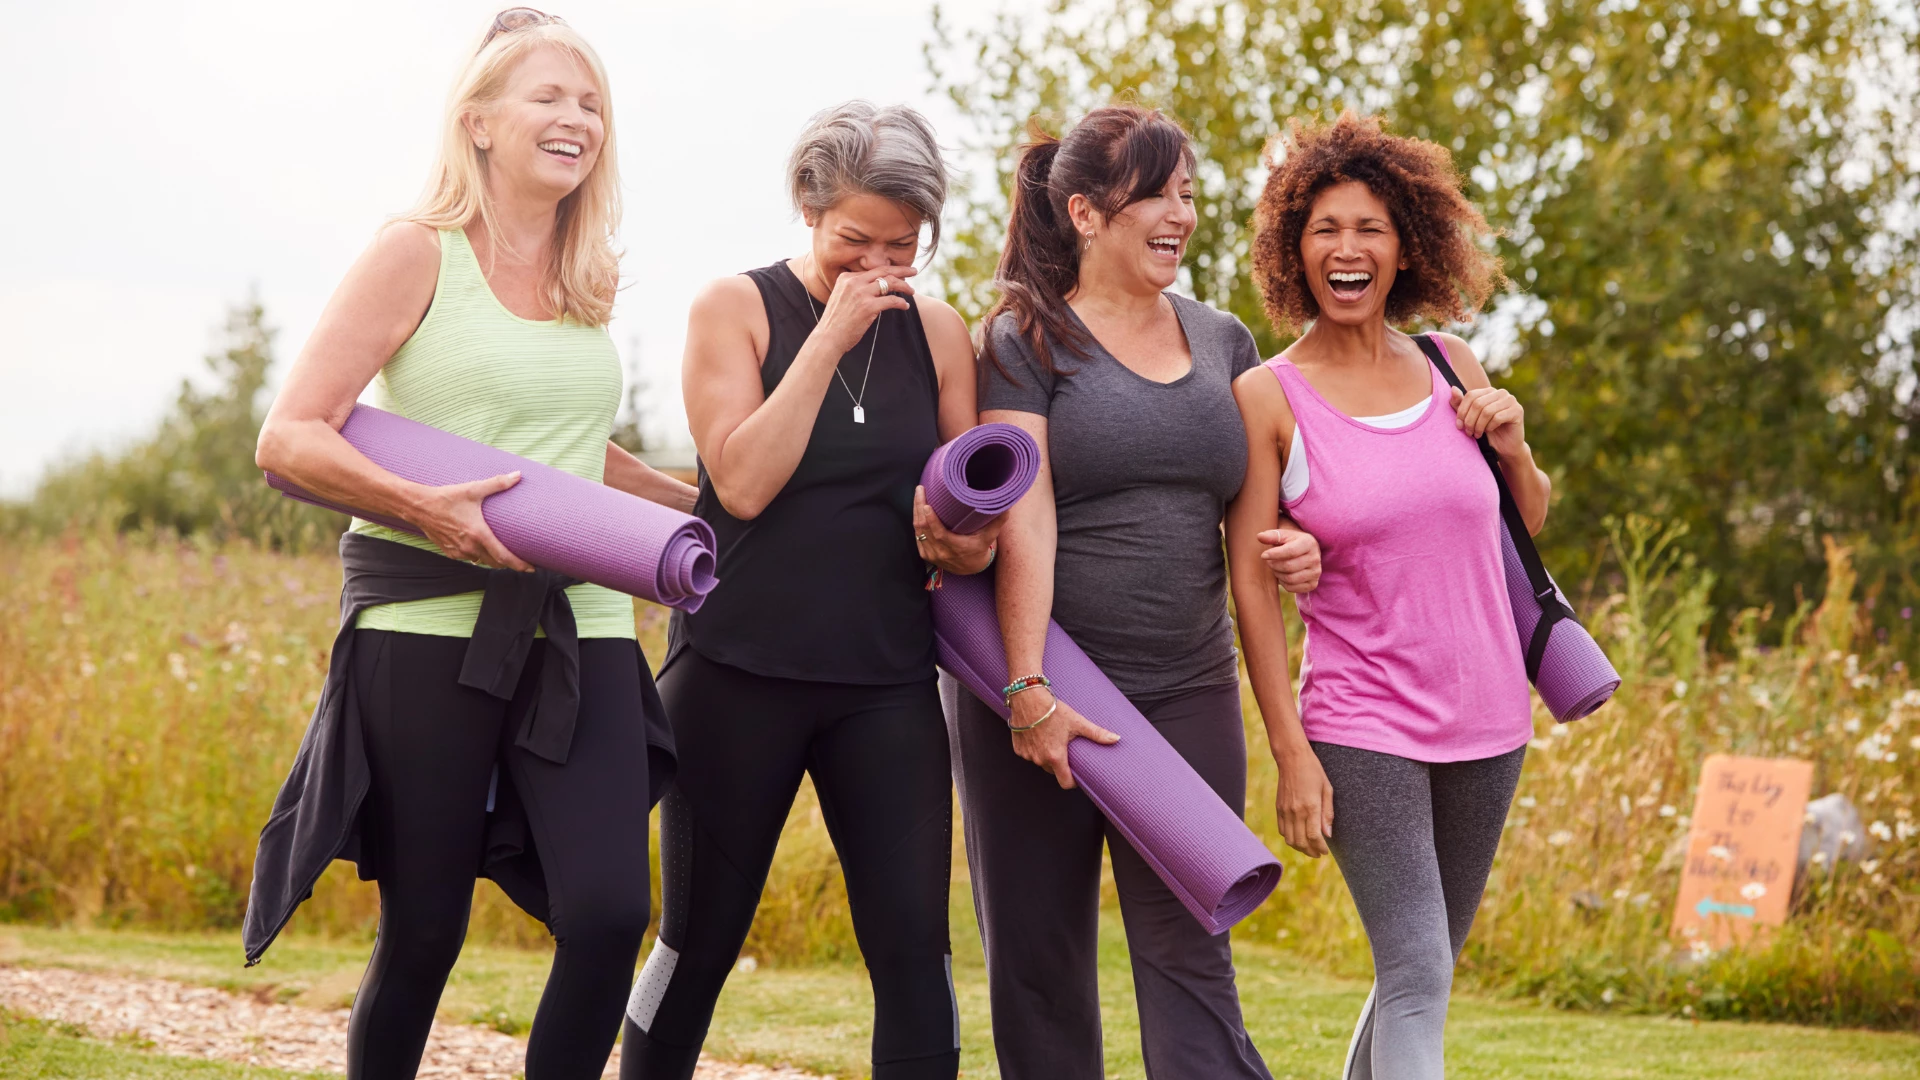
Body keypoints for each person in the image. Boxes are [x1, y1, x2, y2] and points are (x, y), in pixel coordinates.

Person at [244, 10, 693, 1078]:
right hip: (425, 627)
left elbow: (576, 451)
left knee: (606, 912)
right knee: (426, 931)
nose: (574, 118)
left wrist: (707, 512)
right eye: (548, 97)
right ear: (479, 121)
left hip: (580, 625)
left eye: (590, 104)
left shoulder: (589, 280)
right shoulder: (416, 253)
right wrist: (426, 505)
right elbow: (290, 435)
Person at [617, 102, 996, 1080]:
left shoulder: (942, 334)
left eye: (902, 248)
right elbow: (740, 480)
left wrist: (962, 536)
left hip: (886, 684)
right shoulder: (732, 310)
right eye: (853, 242)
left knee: (916, 955)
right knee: (694, 945)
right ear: (806, 209)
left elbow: (973, 518)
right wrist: (826, 339)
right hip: (735, 670)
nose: (877, 267)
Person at [950, 105, 1320, 1080]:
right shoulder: (1023, 338)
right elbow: (1023, 510)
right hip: (1045, 690)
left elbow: (1261, 524)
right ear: (1083, 212)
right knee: (1039, 962)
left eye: (1189, 192)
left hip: (1187, 687)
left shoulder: (1226, 340)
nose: (1179, 214)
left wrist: (1301, 551)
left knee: (1191, 948)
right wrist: (1026, 688)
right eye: (1154, 193)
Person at [1227, 112, 1549, 1080]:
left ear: (1405, 243)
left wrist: (1514, 444)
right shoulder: (1269, 397)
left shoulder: (1454, 365)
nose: (1346, 248)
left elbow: (1522, 525)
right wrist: (1289, 751)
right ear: (1296, 250)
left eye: (1367, 226)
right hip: (1362, 722)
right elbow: (1250, 579)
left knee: (1427, 968)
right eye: (1324, 229)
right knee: (1414, 967)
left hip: (1491, 716)